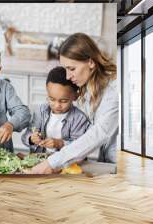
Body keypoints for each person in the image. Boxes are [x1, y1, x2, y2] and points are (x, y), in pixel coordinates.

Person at [29, 33, 118, 174]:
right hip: (105, 160)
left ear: (90, 62)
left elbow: (98, 134)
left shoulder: (114, 90)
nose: (67, 76)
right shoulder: (89, 87)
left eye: (71, 69)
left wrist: (52, 162)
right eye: (65, 69)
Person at [21, 66, 90, 154]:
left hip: (66, 164)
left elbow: (80, 147)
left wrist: (60, 144)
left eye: (63, 101)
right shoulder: (41, 111)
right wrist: (31, 138)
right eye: (52, 99)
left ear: (75, 96)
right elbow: (25, 136)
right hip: (39, 159)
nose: (57, 105)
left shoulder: (79, 119)